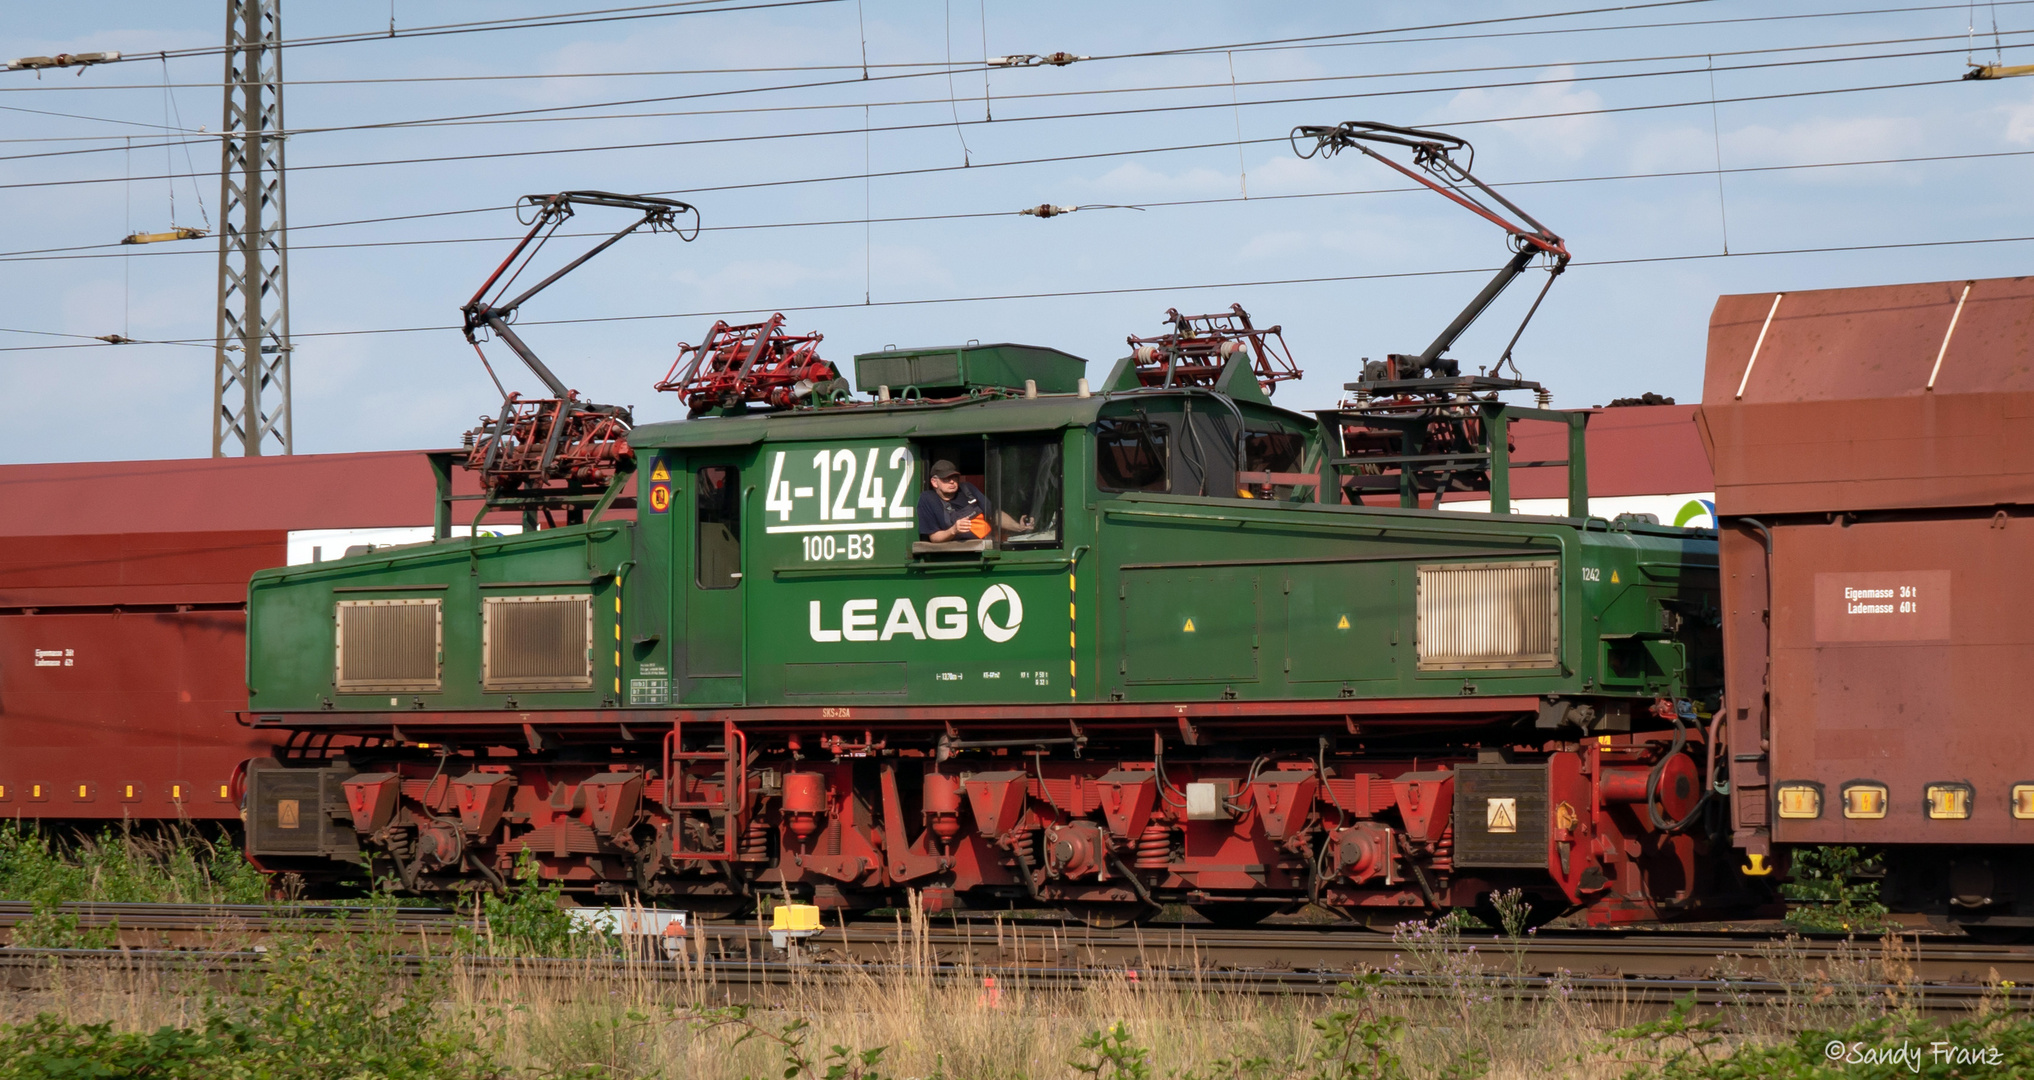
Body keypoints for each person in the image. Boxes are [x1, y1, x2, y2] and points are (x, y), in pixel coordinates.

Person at [917, 459, 1033, 542]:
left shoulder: (967, 489)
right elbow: (934, 537)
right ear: (934, 482)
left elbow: (994, 514)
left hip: (988, 544)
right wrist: (953, 530)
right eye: (946, 479)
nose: (952, 481)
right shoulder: (927, 499)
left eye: (954, 477)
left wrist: (1019, 527)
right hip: (961, 554)